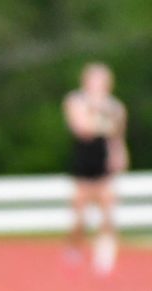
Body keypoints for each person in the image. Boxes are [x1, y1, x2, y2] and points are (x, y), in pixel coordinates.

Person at [63, 63, 128, 275]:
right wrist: (102, 121)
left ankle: (105, 254)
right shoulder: (76, 100)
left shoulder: (116, 107)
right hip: (83, 162)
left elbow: (117, 137)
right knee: (79, 217)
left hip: (104, 163)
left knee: (108, 211)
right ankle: (74, 247)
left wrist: (120, 155)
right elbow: (81, 129)